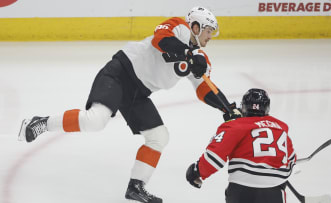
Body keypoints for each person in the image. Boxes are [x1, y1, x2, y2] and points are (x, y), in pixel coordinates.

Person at [18, 6, 241, 203]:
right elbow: (160, 39)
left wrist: (226, 108)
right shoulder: (179, 27)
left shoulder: (200, 60)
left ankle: (136, 186)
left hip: (139, 93)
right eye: (208, 30)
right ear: (194, 26)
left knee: (159, 136)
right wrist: (187, 54)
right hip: (120, 73)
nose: (211, 36)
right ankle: (42, 122)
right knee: (95, 120)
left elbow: (204, 88)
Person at [186, 88, 297, 203]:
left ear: (243, 107)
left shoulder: (235, 126)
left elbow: (214, 157)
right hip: (275, 193)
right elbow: (292, 159)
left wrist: (196, 171)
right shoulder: (281, 127)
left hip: (243, 191)